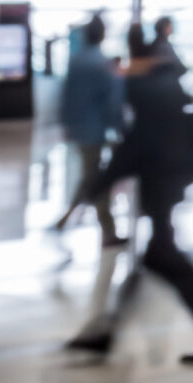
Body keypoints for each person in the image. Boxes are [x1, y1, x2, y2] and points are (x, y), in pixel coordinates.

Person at [66, 26, 193, 364]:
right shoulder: (163, 82)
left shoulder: (147, 89)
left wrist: (98, 185)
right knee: (157, 256)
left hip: (163, 181)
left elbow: (138, 142)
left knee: (160, 257)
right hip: (167, 180)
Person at [54, 15, 125, 243]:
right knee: (94, 179)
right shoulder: (102, 64)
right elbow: (112, 103)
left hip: (80, 129)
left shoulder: (76, 61)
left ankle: (67, 218)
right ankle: (108, 231)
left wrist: (66, 124)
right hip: (96, 130)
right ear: (103, 35)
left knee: (90, 175)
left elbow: (66, 95)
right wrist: (121, 129)